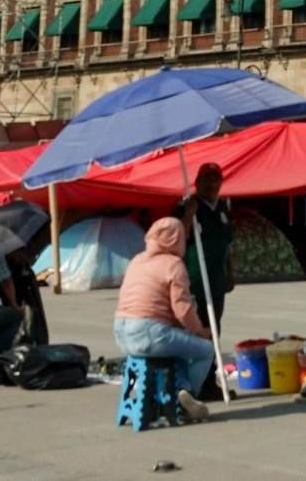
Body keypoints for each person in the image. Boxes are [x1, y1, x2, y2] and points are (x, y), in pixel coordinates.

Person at [114, 216, 217, 421]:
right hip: (148, 334)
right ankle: (184, 396)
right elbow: (183, 310)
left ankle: (169, 395)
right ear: (175, 239)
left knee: (177, 345)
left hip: (121, 332)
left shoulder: (138, 259)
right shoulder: (173, 264)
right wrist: (201, 331)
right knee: (205, 350)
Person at [177, 163, 234, 332]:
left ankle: (212, 357)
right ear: (197, 182)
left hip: (217, 279)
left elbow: (228, 242)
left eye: (216, 179)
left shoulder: (222, 207)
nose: (212, 184)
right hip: (195, 280)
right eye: (207, 179)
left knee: (215, 325)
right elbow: (179, 237)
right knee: (196, 327)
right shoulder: (186, 206)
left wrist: (230, 272)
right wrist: (189, 213)